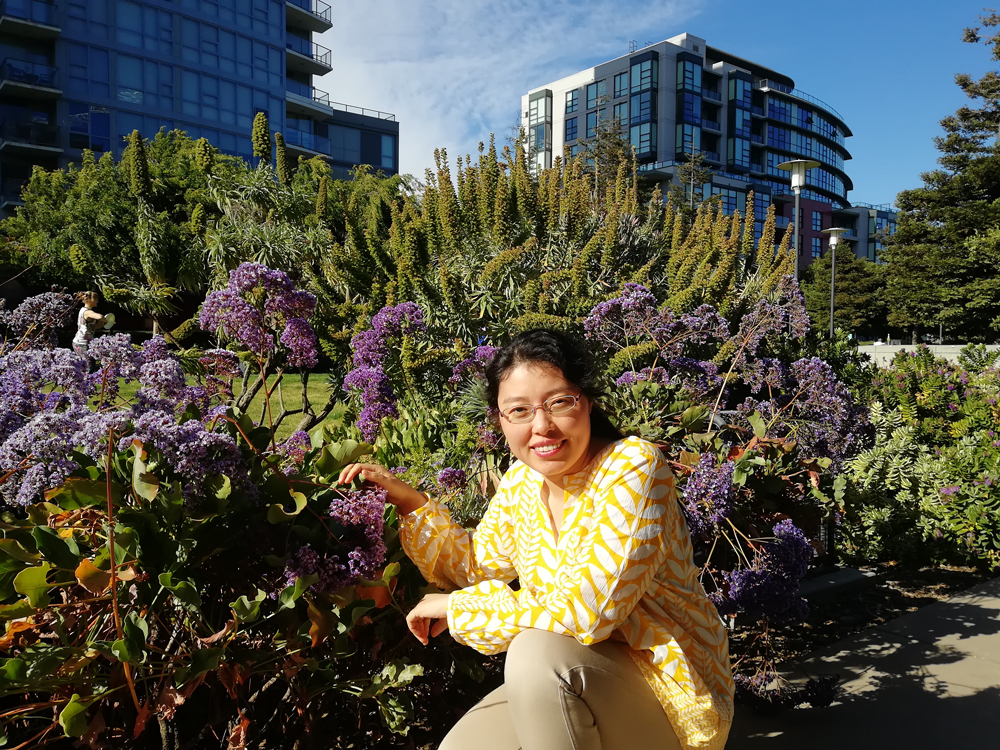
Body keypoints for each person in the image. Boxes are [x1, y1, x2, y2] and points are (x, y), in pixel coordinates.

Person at [338, 330, 734, 750]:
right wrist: (411, 503)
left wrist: (457, 608)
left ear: (587, 401)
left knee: (533, 655)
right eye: (520, 410)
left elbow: (589, 612)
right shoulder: (523, 482)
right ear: (500, 420)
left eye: (560, 402)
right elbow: (475, 567)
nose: (542, 426)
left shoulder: (632, 468)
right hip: (572, 676)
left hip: (670, 687)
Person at [71, 291, 106, 356]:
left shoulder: (82, 310)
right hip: (83, 344)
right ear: (89, 300)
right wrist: (106, 320)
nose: (97, 302)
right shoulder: (87, 312)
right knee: (89, 365)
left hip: (80, 342)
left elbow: (91, 328)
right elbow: (100, 317)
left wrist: (104, 324)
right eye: (96, 300)